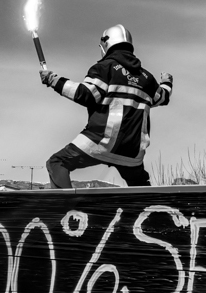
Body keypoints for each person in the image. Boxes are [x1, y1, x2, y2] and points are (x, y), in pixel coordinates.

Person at [41, 23, 172, 190]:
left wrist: (53, 80)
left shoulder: (104, 68)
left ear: (106, 43)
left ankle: (66, 209)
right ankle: (151, 209)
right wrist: (167, 82)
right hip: (132, 151)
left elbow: (86, 94)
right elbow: (162, 97)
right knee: (139, 184)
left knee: (57, 162)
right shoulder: (147, 78)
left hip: (100, 141)